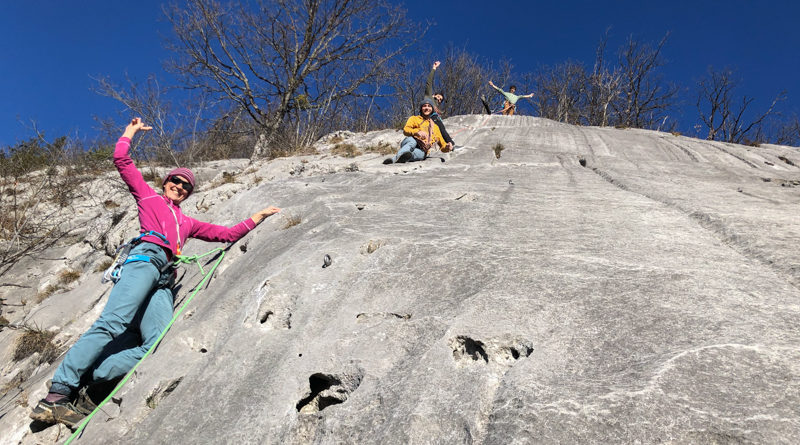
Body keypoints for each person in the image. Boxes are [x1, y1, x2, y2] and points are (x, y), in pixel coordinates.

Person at [30, 118, 281, 427]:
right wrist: (129, 133)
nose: (179, 186)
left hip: (163, 281)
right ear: (165, 183)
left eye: (186, 185)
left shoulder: (188, 223)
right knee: (112, 324)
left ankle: (93, 376)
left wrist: (257, 216)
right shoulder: (148, 198)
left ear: (189, 193)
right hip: (144, 262)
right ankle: (57, 394)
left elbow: (226, 235)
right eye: (175, 181)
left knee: (156, 343)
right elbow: (122, 161)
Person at [384, 100, 451, 164]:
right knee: (413, 142)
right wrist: (417, 132)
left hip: (422, 150)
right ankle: (394, 159)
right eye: (424, 106)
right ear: (421, 108)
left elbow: (442, 145)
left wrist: (447, 147)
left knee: (417, 154)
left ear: (432, 109)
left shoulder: (435, 127)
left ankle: (402, 158)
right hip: (410, 141)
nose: (427, 108)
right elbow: (406, 130)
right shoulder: (414, 118)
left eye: (429, 106)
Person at [424, 61, 454, 147]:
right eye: (438, 97)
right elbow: (428, 83)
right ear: (433, 95)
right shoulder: (429, 96)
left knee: (441, 131)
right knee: (442, 129)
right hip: (431, 117)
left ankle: (447, 145)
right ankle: (451, 144)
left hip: (434, 118)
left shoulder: (437, 108)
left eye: (441, 100)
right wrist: (434, 68)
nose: (439, 100)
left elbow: (442, 111)